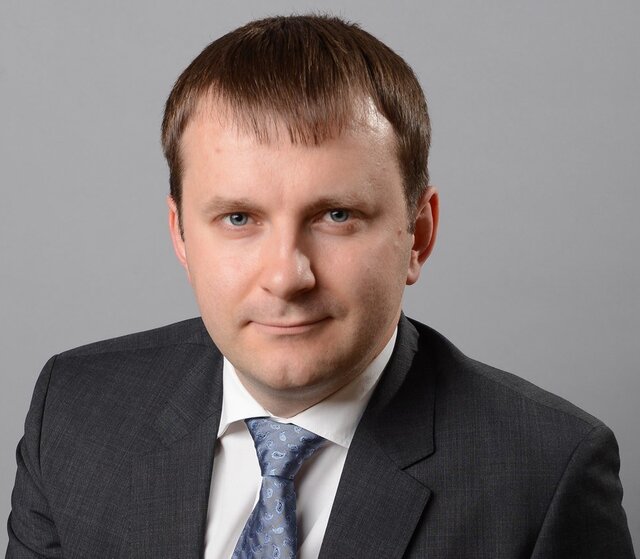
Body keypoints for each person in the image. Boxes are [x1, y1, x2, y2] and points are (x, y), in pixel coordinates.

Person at [6, 14, 635, 559]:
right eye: (239, 219)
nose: (286, 277)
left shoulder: (546, 476)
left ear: (417, 234)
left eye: (337, 216)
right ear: (181, 235)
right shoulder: (76, 412)